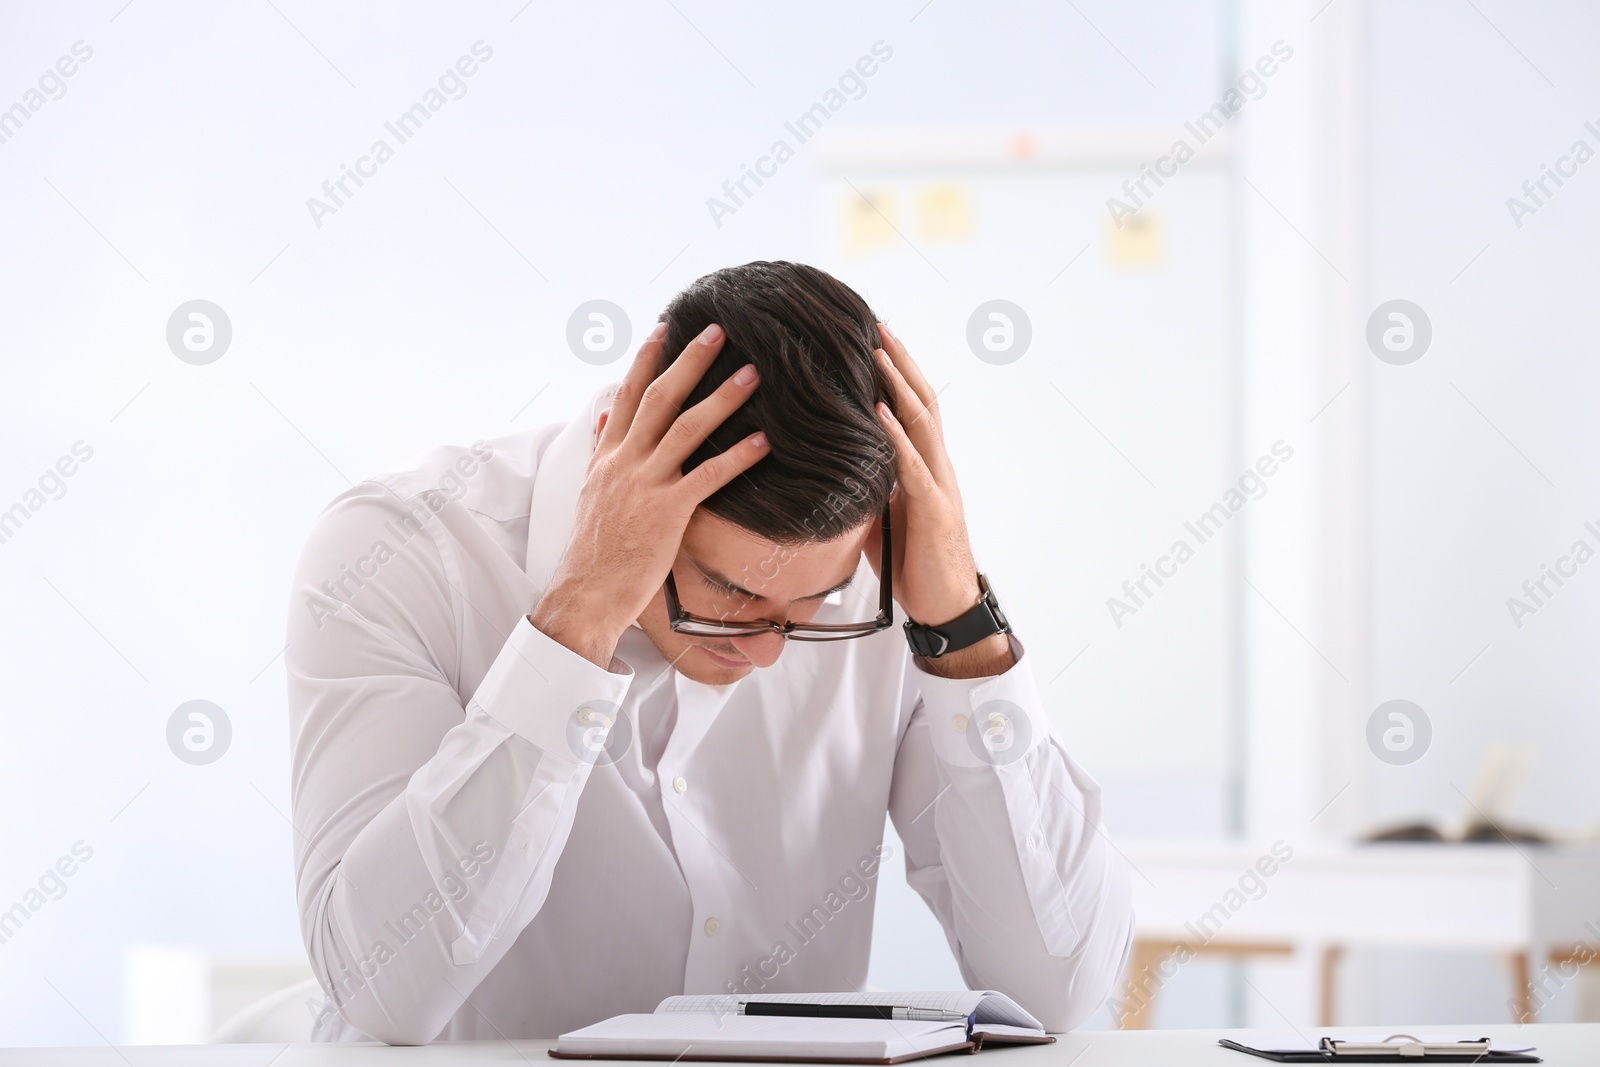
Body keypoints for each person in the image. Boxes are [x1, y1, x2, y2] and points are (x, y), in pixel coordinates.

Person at [286, 260, 1133, 1044]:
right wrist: (580, 616)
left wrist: (962, 630)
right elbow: (382, 991)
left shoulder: (886, 589)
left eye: (812, 601)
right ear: (613, 456)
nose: (769, 652)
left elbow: (1057, 988)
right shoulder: (397, 555)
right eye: (730, 592)